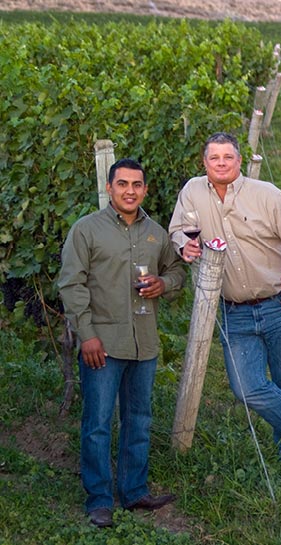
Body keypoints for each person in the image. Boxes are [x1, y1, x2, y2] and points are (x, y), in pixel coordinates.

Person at [58, 158, 186, 528]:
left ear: (145, 189)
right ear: (110, 188)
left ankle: (133, 491)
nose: (130, 191)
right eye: (123, 184)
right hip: (102, 343)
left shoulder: (156, 233)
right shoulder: (87, 230)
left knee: (139, 419)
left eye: (137, 185)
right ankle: (99, 499)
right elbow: (71, 284)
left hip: (143, 342)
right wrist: (87, 335)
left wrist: (166, 284)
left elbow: (176, 269)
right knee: (98, 422)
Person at [168, 132, 281, 462]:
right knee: (248, 388)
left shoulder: (267, 196)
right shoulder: (192, 191)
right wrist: (183, 245)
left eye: (227, 157)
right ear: (204, 163)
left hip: (278, 305)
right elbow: (177, 229)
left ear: (239, 161)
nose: (221, 163)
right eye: (214, 158)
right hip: (234, 312)